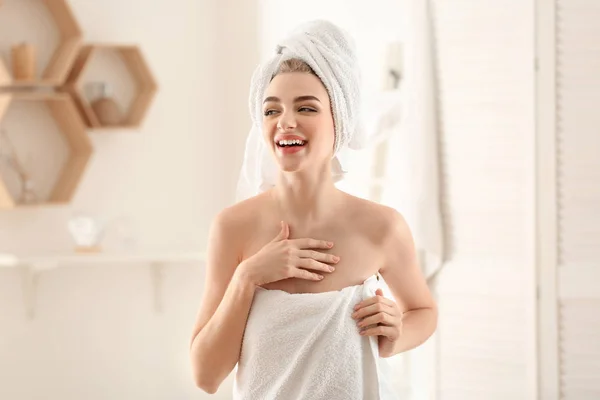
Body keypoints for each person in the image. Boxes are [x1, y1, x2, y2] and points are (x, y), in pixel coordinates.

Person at [189, 20, 437, 399]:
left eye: (306, 107)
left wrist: (396, 333)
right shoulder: (233, 227)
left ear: (340, 118)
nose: (285, 122)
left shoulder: (381, 227)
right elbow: (206, 376)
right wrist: (247, 277)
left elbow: (423, 312)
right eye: (271, 111)